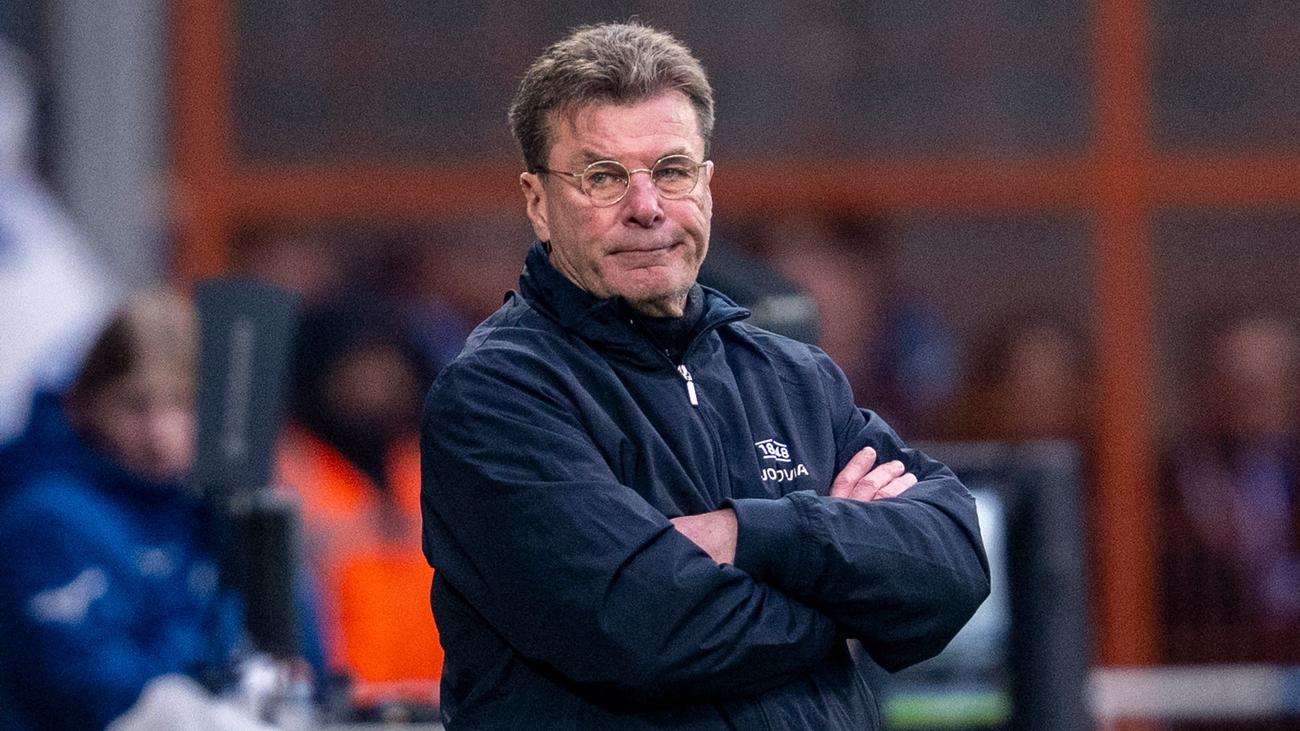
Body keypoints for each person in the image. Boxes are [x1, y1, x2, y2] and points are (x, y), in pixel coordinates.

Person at [419, 22, 989, 729]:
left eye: (672, 171)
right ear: (538, 203)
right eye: (602, 178)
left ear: (707, 186)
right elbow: (641, 628)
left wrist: (752, 534)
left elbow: (953, 565)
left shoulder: (793, 376)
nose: (646, 207)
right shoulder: (496, 396)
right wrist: (847, 606)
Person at [0, 292, 246, 730]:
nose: (159, 432)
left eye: (181, 403)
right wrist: (212, 633)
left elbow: (300, 658)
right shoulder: (47, 518)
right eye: (134, 404)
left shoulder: (220, 508)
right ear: (83, 404)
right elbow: (97, 695)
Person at [278, 301, 443, 715]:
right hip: (335, 711)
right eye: (357, 364)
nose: (373, 381)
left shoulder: (430, 461)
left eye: (384, 362)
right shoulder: (287, 470)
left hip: (438, 707)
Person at [1161, 311, 1300, 666]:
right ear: (1205, 386)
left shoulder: (1290, 470)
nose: (1255, 395)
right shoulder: (1164, 482)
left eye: (1271, 379)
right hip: (1201, 673)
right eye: (1239, 380)